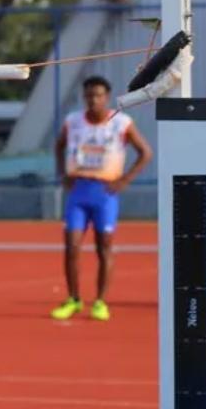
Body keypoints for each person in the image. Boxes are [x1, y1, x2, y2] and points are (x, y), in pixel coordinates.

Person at [51, 75, 153, 321]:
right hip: (79, 190)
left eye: (97, 95)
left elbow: (145, 152)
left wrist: (125, 179)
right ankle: (74, 299)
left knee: (103, 246)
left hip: (105, 192)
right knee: (72, 245)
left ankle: (100, 302)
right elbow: (58, 146)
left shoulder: (121, 123)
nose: (93, 100)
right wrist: (62, 174)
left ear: (106, 97)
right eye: (88, 95)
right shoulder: (73, 122)